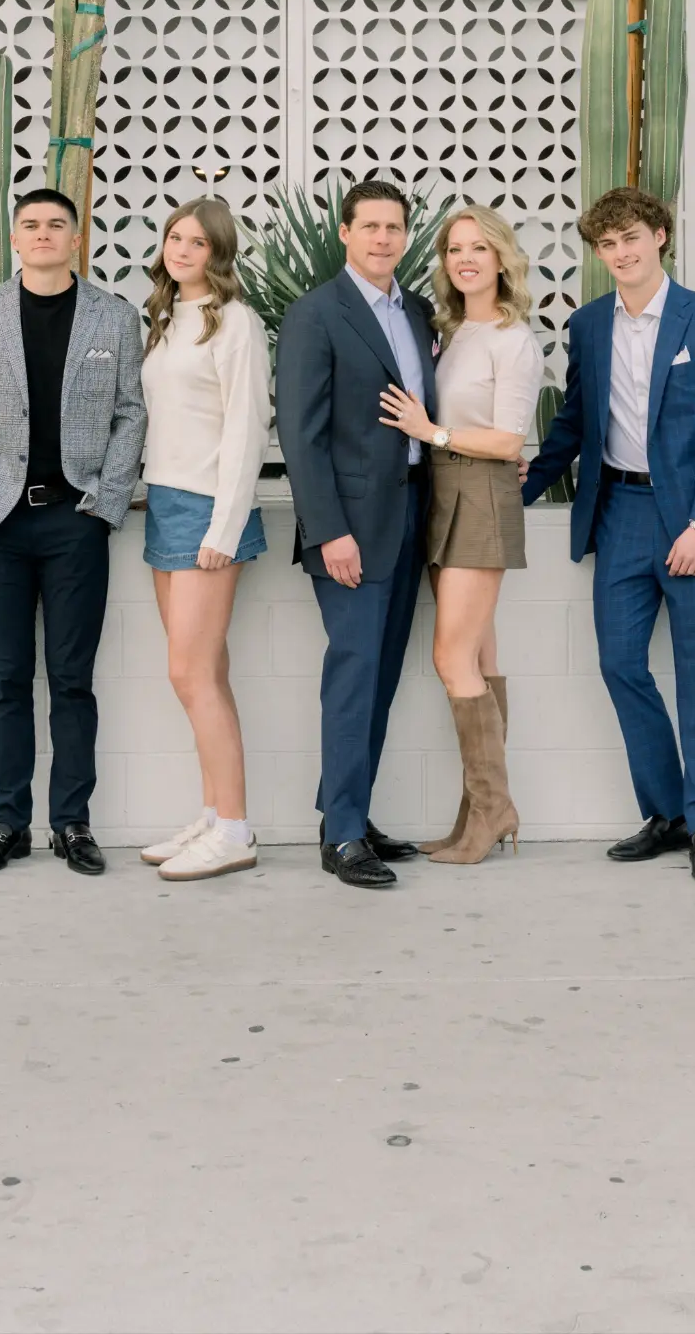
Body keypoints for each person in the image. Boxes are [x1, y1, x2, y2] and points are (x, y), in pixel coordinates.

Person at [522, 187, 695, 887]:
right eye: (605, 245)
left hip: (691, 523)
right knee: (620, 664)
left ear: (658, 236)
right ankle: (667, 814)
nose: (619, 253)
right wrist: (517, 492)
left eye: (629, 238)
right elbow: (575, 421)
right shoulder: (587, 325)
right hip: (618, 511)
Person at [0, 187, 146, 878]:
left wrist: (107, 502)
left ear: (76, 238)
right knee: (6, 678)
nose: (43, 234)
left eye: (56, 224)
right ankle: (7, 824)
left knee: (71, 679)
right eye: (30, 224)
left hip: (75, 520)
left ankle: (72, 823)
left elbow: (129, 415)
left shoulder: (114, 319)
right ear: (14, 239)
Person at [275, 179, 436, 890]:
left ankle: (351, 813)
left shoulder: (420, 311)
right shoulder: (316, 314)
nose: (381, 238)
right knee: (352, 675)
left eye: (393, 227)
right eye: (368, 226)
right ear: (345, 233)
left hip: (409, 520)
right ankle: (341, 835)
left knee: (381, 678)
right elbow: (300, 438)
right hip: (349, 532)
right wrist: (329, 532)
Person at [379, 205, 542, 863]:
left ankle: (494, 805)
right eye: (453, 249)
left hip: (478, 495)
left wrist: (433, 434)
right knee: (477, 659)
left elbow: (507, 439)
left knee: (451, 659)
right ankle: (479, 814)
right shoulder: (449, 331)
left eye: (478, 247)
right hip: (444, 491)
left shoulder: (513, 339)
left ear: (502, 257)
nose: (465, 258)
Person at [135, 199, 270, 881]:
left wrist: (223, 526)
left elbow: (246, 428)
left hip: (209, 509)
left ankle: (237, 830)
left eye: (197, 242)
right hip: (164, 502)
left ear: (219, 252)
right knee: (203, 673)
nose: (182, 250)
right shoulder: (164, 319)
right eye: (174, 238)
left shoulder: (237, 323)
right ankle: (216, 815)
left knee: (189, 673)